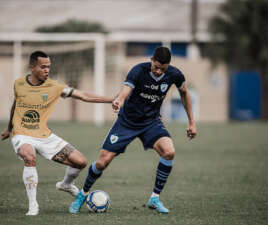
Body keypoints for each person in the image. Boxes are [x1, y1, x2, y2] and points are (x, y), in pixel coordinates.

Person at [69, 46, 197, 214]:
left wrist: (192, 123)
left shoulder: (175, 74)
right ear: (151, 59)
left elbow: (184, 93)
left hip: (151, 122)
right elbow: (125, 91)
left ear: (168, 66)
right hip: (127, 122)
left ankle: (155, 198)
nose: (158, 71)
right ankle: (83, 194)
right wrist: (118, 101)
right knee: (102, 162)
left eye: (163, 69)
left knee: (169, 151)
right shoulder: (138, 71)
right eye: (156, 67)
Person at [1, 50, 113, 216]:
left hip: (44, 135)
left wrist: (112, 99)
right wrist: (9, 129)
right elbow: (15, 105)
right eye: (43, 67)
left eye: (49, 67)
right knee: (29, 157)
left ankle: (66, 184)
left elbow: (83, 95)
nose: (47, 70)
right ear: (32, 67)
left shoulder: (55, 87)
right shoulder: (19, 84)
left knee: (80, 162)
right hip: (22, 134)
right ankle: (33, 205)